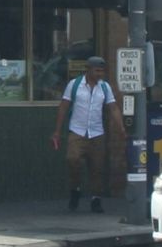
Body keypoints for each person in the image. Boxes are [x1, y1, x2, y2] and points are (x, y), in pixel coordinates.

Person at [51, 55, 122, 213]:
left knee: (97, 167)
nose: (99, 74)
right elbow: (64, 106)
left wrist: (121, 129)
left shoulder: (104, 87)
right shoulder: (74, 85)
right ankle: (75, 190)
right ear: (88, 70)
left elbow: (113, 108)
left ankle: (96, 199)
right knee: (72, 159)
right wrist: (57, 131)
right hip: (77, 130)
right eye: (96, 70)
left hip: (97, 132)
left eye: (102, 71)